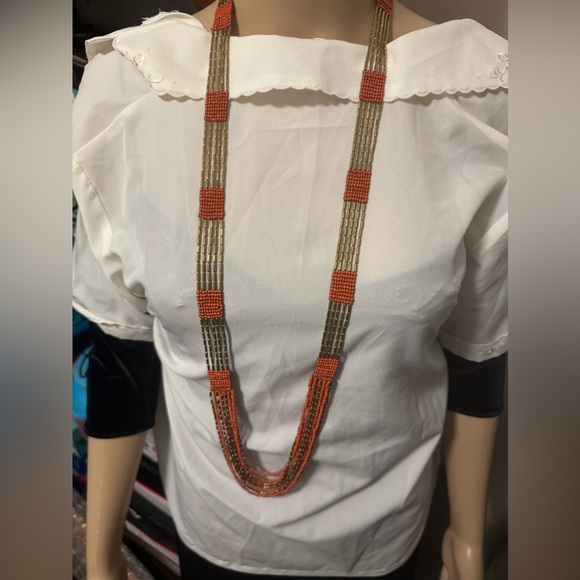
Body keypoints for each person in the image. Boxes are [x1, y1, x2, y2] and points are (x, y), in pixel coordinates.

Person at [72, 1, 508, 578]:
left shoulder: (480, 93)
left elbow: (478, 352)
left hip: (382, 537)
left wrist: (467, 535)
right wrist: (103, 555)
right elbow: (121, 348)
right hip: (211, 530)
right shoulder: (130, 90)